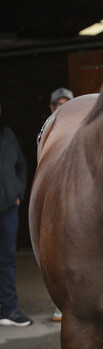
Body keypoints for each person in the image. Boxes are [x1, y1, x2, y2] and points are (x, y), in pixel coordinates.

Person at [0, 102, 32, 327]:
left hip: (8, 209)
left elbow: (22, 166)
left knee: (7, 260)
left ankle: (9, 310)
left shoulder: (8, 135)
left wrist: (18, 193)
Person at [47, 87, 72, 322]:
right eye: (58, 104)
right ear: (52, 108)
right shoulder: (46, 134)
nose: (63, 107)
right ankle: (62, 300)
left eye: (67, 103)